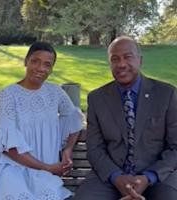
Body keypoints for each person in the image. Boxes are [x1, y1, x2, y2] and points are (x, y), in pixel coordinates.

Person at [74, 36, 177, 200]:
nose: (121, 64)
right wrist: (116, 177)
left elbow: (175, 147)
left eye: (127, 57)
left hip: (158, 178)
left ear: (140, 60)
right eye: (115, 59)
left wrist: (149, 177)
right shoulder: (97, 98)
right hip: (109, 178)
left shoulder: (166, 94)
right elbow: (95, 149)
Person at [0, 42, 83, 200]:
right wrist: (47, 168)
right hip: (9, 169)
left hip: (44, 174)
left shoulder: (55, 92)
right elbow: (8, 146)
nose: (41, 68)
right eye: (35, 61)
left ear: (52, 69)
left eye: (47, 64)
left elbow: (74, 120)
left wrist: (67, 150)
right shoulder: (8, 95)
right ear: (26, 61)